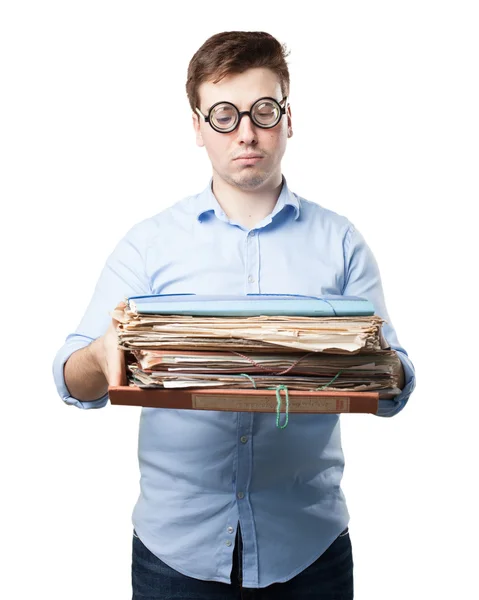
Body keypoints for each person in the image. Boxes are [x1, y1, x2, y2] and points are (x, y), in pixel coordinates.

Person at [53, 31, 416, 599]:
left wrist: (377, 366)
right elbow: (69, 376)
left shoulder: (341, 242)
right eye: (223, 114)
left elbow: (395, 386)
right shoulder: (149, 244)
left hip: (309, 551)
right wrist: (101, 356)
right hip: (175, 556)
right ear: (197, 126)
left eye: (263, 111)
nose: (245, 132)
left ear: (288, 120)